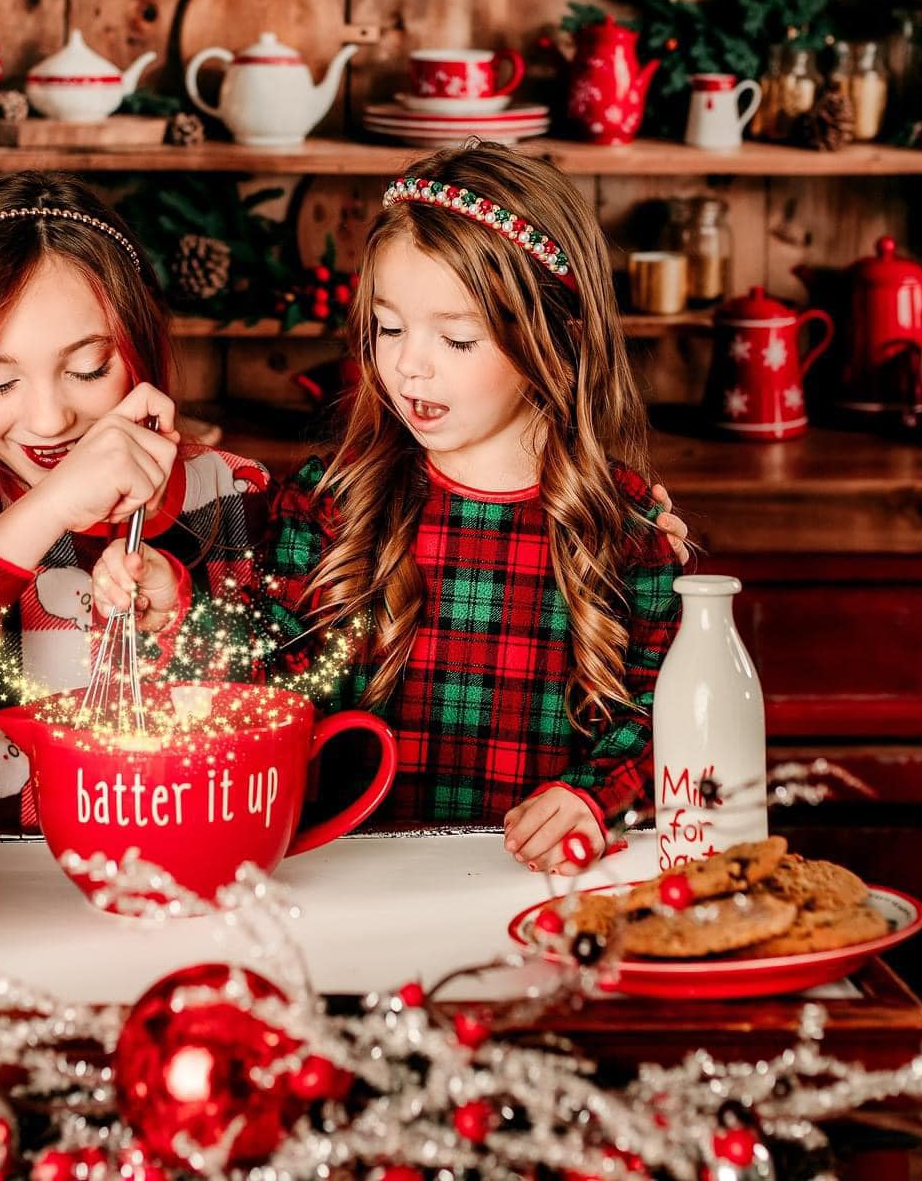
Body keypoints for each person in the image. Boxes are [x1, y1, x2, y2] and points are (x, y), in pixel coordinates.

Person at [264, 143, 687, 877]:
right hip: (345, 891)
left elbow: (663, 717)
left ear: (558, 337)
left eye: (458, 338)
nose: (408, 365)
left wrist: (592, 796)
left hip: (536, 896)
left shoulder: (627, 532)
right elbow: (270, 695)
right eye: (389, 327)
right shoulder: (328, 503)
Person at [0, 172, 269, 828]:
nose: (46, 418)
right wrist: (48, 509)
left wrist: (172, 617)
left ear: (141, 349)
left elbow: (270, 728)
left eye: (88, 369)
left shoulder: (230, 495)